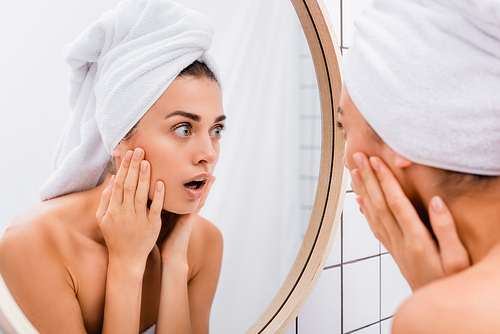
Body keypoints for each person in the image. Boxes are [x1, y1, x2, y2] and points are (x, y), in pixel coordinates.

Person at [0, 1, 224, 333]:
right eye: (184, 129)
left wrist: (175, 262)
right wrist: (126, 265)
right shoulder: (34, 245)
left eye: (216, 130)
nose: (208, 153)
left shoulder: (203, 242)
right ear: (119, 138)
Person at [337, 0, 500, 332]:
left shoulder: (439, 316)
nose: (343, 159)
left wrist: (435, 302)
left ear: (405, 135)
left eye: (344, 127)